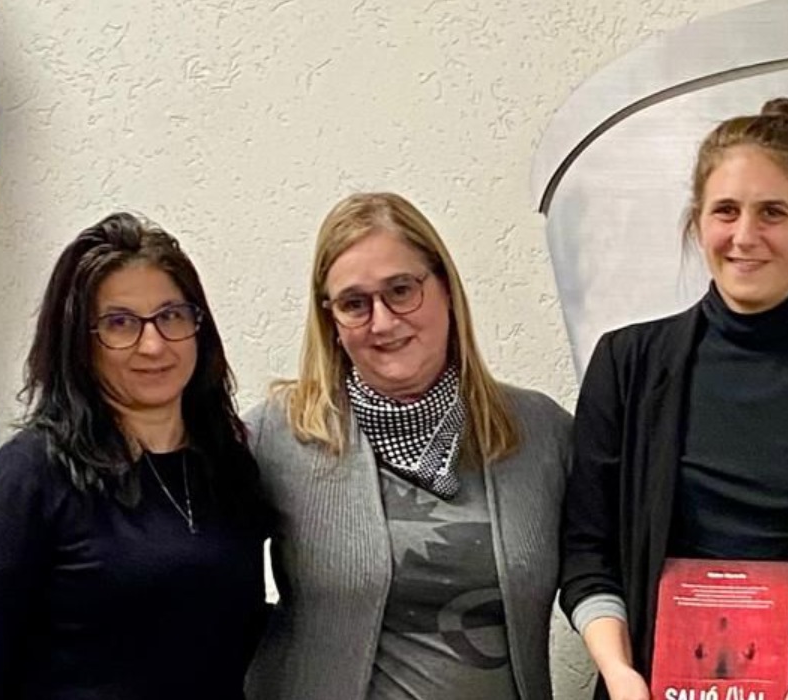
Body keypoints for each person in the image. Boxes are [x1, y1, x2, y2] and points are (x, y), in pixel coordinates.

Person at [559, 98, 788, 700]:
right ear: (698, 220)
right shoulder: (627, 364)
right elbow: (587, 552)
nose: (745, 236)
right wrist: (620, 675)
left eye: (773, 212)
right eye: (725, 211)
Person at [0, 212, 272, 699]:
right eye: (120, 323)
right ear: (77, 343)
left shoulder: (229, 467)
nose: (153, 344)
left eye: (171, 316)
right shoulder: (26, 479)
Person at [245, 192, 572, 700]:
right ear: (330, 321)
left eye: (401, 290)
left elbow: (612, 571)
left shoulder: (540, 433)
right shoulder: (281, 436)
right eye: (354, 304)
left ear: (446, 289)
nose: (382, 321)